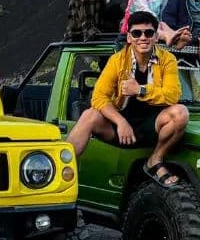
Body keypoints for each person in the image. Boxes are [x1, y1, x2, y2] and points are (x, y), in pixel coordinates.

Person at [66, 11, 190, 187]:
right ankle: (62, 169)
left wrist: (139, 89)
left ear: (156, 37)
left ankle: (155, 160)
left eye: (148, 33)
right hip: (119, 126)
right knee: (89, 115)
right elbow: (98, 97)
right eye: (137, 33)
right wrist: (121, 121)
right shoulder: (117, 61)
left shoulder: (167, 59)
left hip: (153, 126)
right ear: (129, 38)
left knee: (181, 113)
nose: (143, 38)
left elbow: (173, 95)